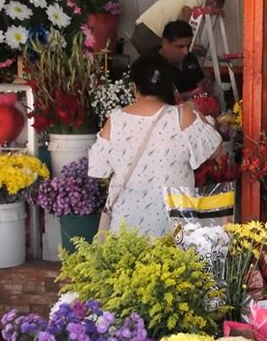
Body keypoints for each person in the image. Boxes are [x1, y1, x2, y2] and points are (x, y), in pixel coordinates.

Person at [87, 54, 221, 237]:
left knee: (125, 265)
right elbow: (216, 150)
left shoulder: (115, 121)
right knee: (173, 266)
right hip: (173, 226)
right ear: (168, 87)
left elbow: (98, 168)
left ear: (134, 87)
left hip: (127, 224)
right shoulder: (182, 117)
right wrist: (197, 113)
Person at [131, 0, 225, 57]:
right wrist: (186, 38)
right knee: (172, 57)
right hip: (148, 31)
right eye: (215, 9)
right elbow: (186, 10)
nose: (211, 15)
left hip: (145, 32)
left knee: (166, 59)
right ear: (214, 3)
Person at [158, 20, 208, 98]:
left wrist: (207, 82)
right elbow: (150, 101)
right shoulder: (150, 66)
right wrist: (187, 96)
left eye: (188, 46)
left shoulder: (190, 58)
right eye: (180, 47)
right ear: (165, 44)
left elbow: (201, 80)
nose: (186, 52)